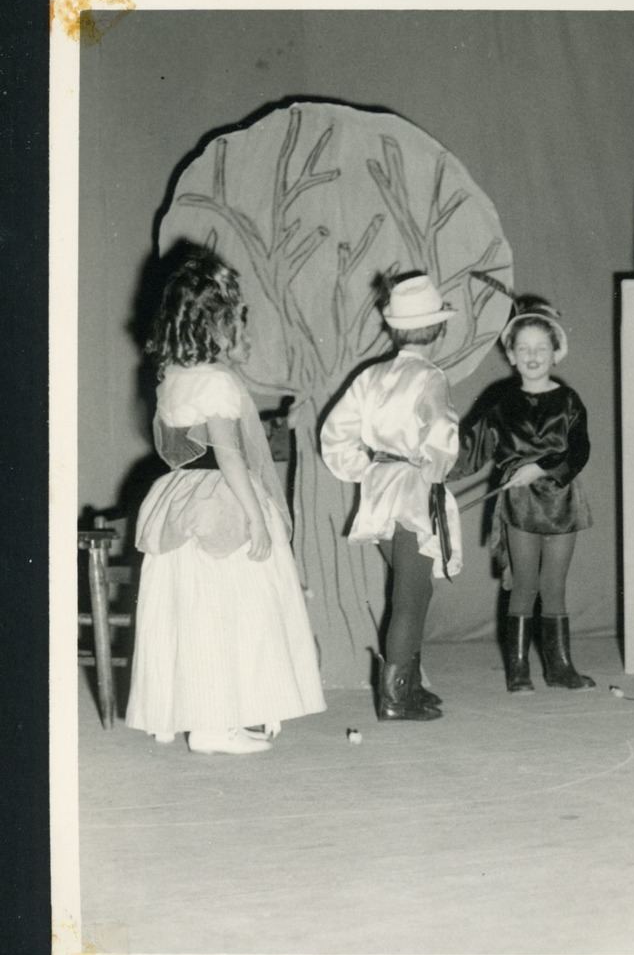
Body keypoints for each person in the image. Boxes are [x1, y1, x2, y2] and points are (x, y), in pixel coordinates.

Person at [126, 251, 324, 754]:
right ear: (214, 323)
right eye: (235, 317)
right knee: (234, 612)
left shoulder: (171, 375)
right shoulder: (216, 380)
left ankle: (195, 712)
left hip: (181, 500)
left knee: (193, 615)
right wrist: (257, 519)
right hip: (222, 505)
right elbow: (231, 456)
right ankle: (217, 726)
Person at [321, 274, 462, 721]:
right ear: (439, 330)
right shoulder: (430, 377)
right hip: (414, 494)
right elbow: (441, 433)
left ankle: (410, 686)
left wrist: (367, 469)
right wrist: (434, 467)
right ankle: (397, 699)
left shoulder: (371, 376)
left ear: (394, 329)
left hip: (379, 492)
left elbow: (335, 434)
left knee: (409, 592)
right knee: (411, 598)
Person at [452, 298, 595, 692]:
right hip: (519, 505)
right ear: (512, 355)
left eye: (541, 349)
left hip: (562, 501)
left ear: (555, 354)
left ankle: (560, 666)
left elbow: (579, 450)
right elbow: (470, 449)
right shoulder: (501, 402)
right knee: (524, 584)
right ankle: (518, 669)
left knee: (555, 587)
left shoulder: (568, 401)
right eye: (524, 349)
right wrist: (432, 470)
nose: (533, 356)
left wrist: (542, 467)